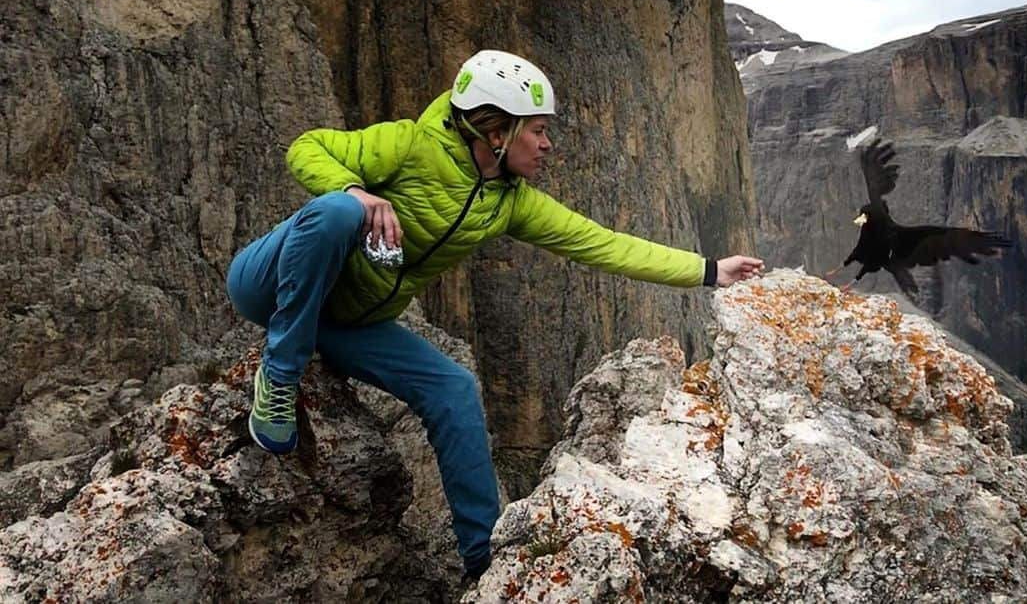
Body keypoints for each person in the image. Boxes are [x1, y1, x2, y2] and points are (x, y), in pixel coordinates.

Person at [225, 49, 764, 581]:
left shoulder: (509, 201)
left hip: (348, 322)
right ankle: (280, 374)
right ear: (497, 131)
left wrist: (711, 270)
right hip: (267, 287)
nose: (547, 144)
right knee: (336, 212)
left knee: (454, 389)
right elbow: (308, 147)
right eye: (537, 130)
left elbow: (600, 243)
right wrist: (358, 192)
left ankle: (484, 561)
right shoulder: (411, 145)